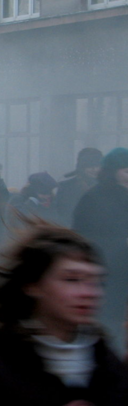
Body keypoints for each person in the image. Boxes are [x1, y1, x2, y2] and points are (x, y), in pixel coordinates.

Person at [0, 222, 128, 406]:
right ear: (33, 285)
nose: (89, 293)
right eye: (71, 279)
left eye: (95, 281)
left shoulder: (108, 364)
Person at [73, 147, 128, 353]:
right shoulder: (94, 198)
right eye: (126, 171)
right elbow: (83, 238)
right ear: (112, 172)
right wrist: (122, 243)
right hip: (108, 276)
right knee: (108, 327)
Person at [56, 148, 102, 227]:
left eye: (97, 165)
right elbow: (61, 214)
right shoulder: (66, 188)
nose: (95, 170)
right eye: (90, 166)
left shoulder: (108, 187)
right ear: (81, 168)